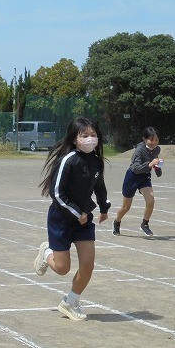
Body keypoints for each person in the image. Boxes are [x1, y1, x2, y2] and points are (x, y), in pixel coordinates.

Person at [33, 117, 111, 321]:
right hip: (61, 219)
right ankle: (46, 252)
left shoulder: (96, 161)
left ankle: (70, 302)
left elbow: (99, 185)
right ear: (75, 139)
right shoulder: (68, 160)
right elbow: (57, 193)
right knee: (62, 268)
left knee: (88, 264)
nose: (90, 139)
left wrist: (104, 207)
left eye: (93, 135)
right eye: (85, 135)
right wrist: (78, 213)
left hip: (84, 222)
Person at [112, 126, 163, 237]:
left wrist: (158, 168)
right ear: (145, 139)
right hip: (132, 177)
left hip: (144, 177)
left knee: (150, 201)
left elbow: (154, 160)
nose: (154, 142)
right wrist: (150, 164)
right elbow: (136, 168)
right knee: (126, 207)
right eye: (151, 140)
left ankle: (145, 224)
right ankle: (117, 222)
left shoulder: (157, 149)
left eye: (156, 140)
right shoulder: (139, 150)